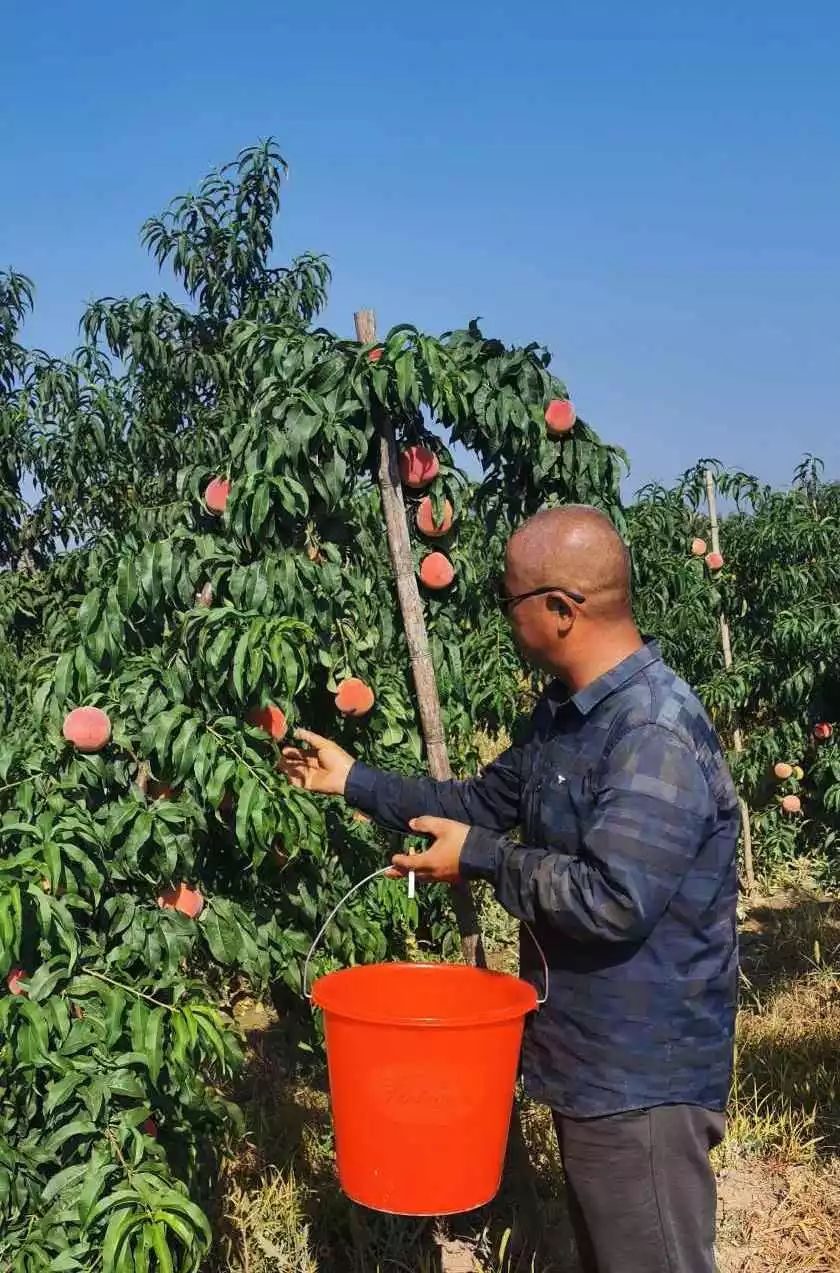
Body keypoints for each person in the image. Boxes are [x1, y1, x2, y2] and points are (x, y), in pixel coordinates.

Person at [281, 504, 739, 1273]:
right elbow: (475, 807)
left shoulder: (651, 733)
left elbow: (613, 899)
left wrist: (488, 859)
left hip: (642, 1076)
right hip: (587, 1057)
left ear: (560, 610)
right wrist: (351, 780)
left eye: (511, 600)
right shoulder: (564, 719)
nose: (504, 617)